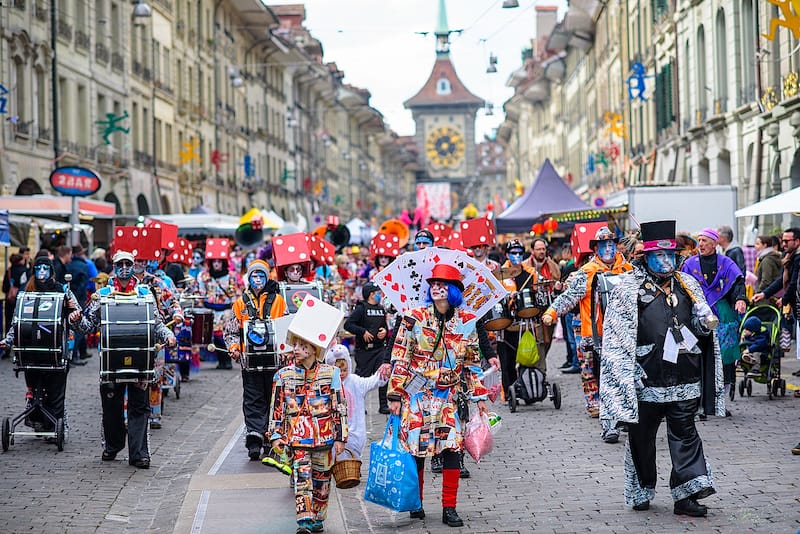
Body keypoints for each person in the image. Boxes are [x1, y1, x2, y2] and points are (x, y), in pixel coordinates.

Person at [599, 220, 723, 517]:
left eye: (670, 256)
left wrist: (703, 325)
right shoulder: (627, 288)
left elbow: (698, 326)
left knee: (686, 433)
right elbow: (615, 336)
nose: (666, 261)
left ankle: (687, 495)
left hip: (684, 373)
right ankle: (641, 488)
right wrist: (629, 374)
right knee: (642, 439)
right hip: (646, 376)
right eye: (659, 256)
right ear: (646, 258)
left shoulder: (687, 284)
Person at [387, 263, 490, 528]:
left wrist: (480, 399)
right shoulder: (413, 316)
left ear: (454, 290)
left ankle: (449, 507)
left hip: (448, 398)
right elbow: (400, 355)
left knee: (452, 449)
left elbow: (472, 365)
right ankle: (416, 502)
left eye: (442, 284)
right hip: (417, 394)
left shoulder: (467, 322)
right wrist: (394, 394)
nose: (436, 287)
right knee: (416, 450)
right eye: (432, 283)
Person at [73, 250, 177, 469]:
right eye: (120, 264)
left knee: (140, 407)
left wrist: (168, 335)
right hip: (112, 361)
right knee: (111, 406)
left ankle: (139, 454)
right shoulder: (102, 295)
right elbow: (87, 327)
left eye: (128, 264)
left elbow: (156, 324)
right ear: (114, 266)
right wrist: (74, 318)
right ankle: (113, 445)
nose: (125, 268)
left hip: (140, 359)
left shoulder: (145, 293)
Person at [542, 226, 632, 444]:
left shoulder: (628, 270)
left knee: (621, 377)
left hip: (622, 336)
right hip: (593, 335)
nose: (608, 248)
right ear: (595, 249)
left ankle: (622, 415)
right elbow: (570, 296)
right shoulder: (587, 271)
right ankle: (604, 416)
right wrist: (552, 312)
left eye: (611, 244)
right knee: (593, 374)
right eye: (603, 245)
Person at [268, 336, 347, 534]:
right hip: (297, 438)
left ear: (314, 349)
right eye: (295, 345)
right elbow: (276, 408)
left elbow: (339, 407)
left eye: (303, 346)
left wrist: (340, 436)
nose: (296, 349)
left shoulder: (332, 374)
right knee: (302, 479)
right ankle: (304, 520)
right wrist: (276, 435)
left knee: (322, 482)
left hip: (325, 436)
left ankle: (318, 518)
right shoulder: (282, 375)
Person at [1, 256, 82, 431]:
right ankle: (38, 419)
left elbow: (77, 314)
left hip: (56, 349)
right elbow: (17, 321)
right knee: (36, 389)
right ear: (34, 271)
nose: (42, 272)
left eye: (46, 268)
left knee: (55, 392)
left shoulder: (62, 290)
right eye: (39, 268)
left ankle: (53, 425)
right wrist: (7, 341)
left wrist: (72, 313)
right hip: (30, 349)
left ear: (51, 271)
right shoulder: (26, 291)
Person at [223, 260, 287, 460]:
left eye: (261, 276)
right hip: (249, 362)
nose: (257, 279)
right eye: (254, 276)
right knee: (252, 399)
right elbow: (231, 331)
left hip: (274, 362)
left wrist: (286, 350)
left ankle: (270, 437)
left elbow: (285, 327)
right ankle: (254, 437)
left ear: (267, 278)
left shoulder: (278, 301)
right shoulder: (240, 303)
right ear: (249, 279)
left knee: (273, 398)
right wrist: (233, 348)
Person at [681, 228, 747, 405]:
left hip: (722, 314)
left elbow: (737, 283)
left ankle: (720, 399)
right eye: (699, 240)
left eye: (704, 240)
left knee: (723, 355)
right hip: (697, 314)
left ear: (715, 243)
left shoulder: (726, 263)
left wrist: (740, 299)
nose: (700, 244)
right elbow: (682, 288)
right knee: (698, 354)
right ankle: (699, 399)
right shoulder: (690, 264)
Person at [324, 344, 389, 459]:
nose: (342, 374)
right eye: (339, 371)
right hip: (335, 431)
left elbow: (371, 382)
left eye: (345, 370)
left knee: (353, 458)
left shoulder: (354, 381)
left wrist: (382, 374)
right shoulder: (327, 383)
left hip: (354, 431)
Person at [344, 282, 390, 414]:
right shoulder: (361, 308)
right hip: (364, 350)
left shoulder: (381, 309)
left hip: (379, 348)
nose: (379, 295)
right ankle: (358, 405)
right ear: (371, 294)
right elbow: (348, 325)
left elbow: (383, 326)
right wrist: (362, 332)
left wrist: (384, 332)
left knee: (383, 375)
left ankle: (383, 405)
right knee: (361, 379)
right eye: (377, 293)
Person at [66, 245, 96, 365]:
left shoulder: (68, 265)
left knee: (70, 326)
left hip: (69, 299)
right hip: (81, 298)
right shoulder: (85, 265)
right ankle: (74, 356)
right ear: (81, 253)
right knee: (79, 326)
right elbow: (92, 281)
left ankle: (74, 353)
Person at [2, 253, 28, 359]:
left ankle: (7, 349)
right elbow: (25, 285)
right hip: (20, 301)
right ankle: (18, 349)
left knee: (9, 323)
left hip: (9, 301)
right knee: (20, 323)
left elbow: (4, 288)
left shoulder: (9, 271)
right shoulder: (24, 271)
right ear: (21, 261)